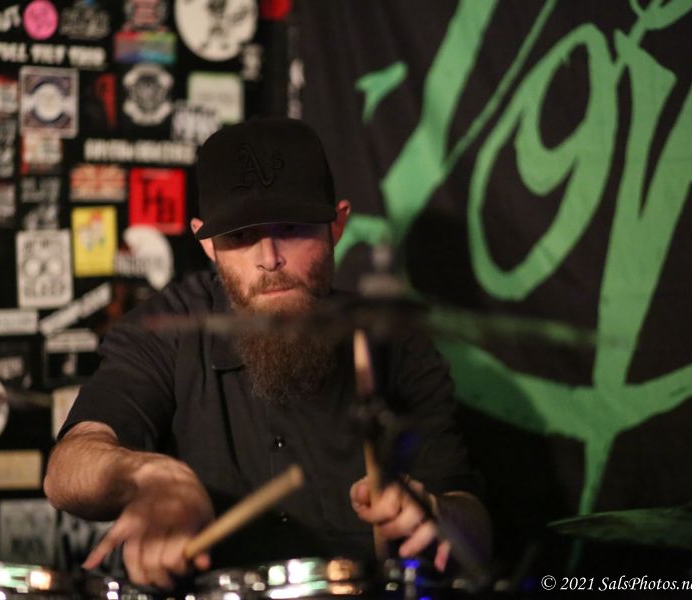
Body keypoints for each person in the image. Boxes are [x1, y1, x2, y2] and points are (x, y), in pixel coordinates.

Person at [44, 117, 491, 589]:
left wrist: (437, 514)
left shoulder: (394, 343)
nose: (270, 258)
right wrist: (151, 477)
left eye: (293, 228)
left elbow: (475, 525)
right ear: (207, 243)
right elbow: (67, 467)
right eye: (241, 235)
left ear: (337, 224)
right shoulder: (166, 331)